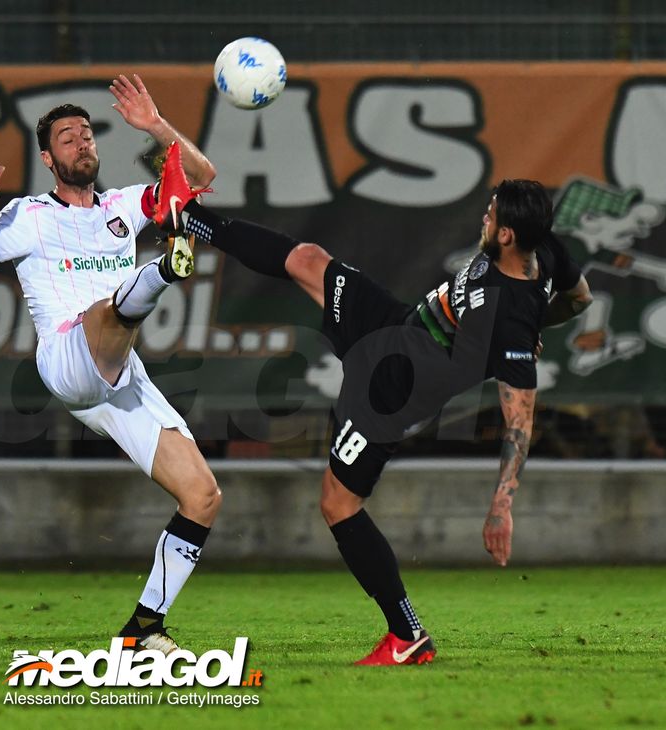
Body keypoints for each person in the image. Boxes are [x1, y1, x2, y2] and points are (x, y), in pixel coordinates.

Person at [162, 176, 593, 665]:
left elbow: (519, 420)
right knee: (307, 259)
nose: (485, 218)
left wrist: (501, 504)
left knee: (337, 504)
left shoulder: (508, 313)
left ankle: (406, 634)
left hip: (389, 390)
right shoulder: (544, 249)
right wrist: (541, 322)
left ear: (509, 235)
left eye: (491, 214)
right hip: (394, 325)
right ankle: (187, 217)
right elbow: (581, 299)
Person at [0, 74, 219, 654]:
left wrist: (155, 127)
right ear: (48, 158)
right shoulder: (27, 215)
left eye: (87, 135)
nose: (82, 144)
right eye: (67, 139)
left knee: (202, 496)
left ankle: (144, 629)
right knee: (107, 310)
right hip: (68, 359)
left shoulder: (123, 206)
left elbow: (200, 177)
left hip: (121, 374)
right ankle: (167, 271)